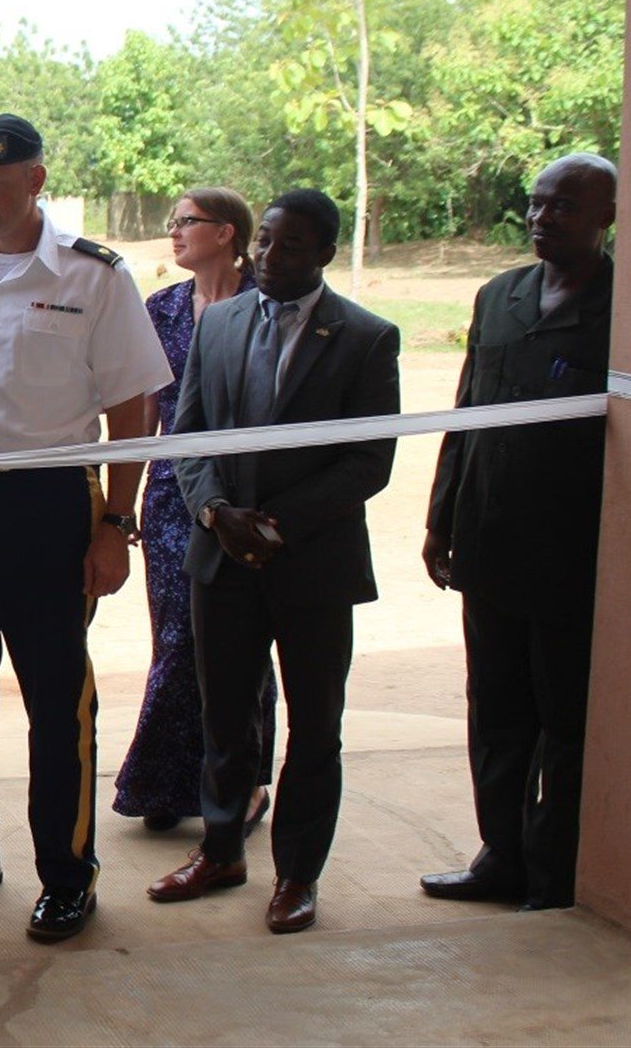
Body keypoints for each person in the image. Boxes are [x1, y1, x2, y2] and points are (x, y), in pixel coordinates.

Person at [0, 114, 172, 942]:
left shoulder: (93, 275)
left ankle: (68, 873)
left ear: (36, 181)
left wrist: (115, 523)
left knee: (57, 698)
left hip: (52, 503)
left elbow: (133, 406)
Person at [148, 188, 400, 935]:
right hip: (221, 556)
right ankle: (221, 850)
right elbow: (188, 432)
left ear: (324, 253)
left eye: (290, 246)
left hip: (313, 564)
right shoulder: (220, 323)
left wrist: (276, 525)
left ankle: (297, 874)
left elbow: (369, 460)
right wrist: (215, 512)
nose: (269, 257)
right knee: (226, 716)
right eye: (265, 243)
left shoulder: (365, 337)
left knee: (316, 726)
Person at [420, 154, 617, 912]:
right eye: (536, 203)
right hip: (487, 542)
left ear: (606, 216)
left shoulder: (626, 307)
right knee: (495, 712)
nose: (541, 217)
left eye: (563, 206)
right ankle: (500, 856)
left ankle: (551, 872)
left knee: (563, 721)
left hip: (571, 556)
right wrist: (441, 518)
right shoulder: (498, 295)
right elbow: (466, 412)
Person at [113, 189, 275, 832]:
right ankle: (171, 782)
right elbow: (144, 409)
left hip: (244, 493)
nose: (173, 232)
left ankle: (246, 780)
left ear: (227, 232)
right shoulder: (163, 308)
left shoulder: (266, 303)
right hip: (170, 492)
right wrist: (123, 500)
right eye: (173, 221)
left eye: (186, 222)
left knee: (242, 641)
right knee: (177, 640)